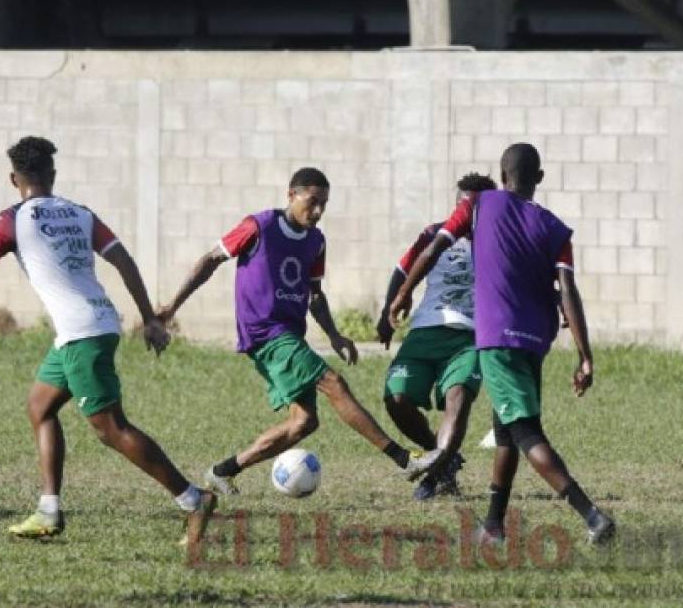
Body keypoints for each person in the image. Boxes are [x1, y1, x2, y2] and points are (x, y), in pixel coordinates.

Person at [0, 136, 216, 543]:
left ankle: (193, 499)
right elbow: (123, 259)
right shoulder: (81, 214)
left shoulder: (10, 220)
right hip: (93, 324)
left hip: (82, 335)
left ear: (13, 178)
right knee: (40, 406)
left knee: (111, 429)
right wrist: (149, 318)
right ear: (52, 175)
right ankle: (48, 510)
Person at [158, 167, 440, 496]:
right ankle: (404, 459)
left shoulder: (315, 241)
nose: (318, 211)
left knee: (303, 423)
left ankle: (222, 472)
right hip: (264, 333)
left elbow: (314, 295)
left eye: (324, 204)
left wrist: (334, 335)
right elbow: (210, 260)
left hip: (290, 334)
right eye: (312, 202)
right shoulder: (259, 226)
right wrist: (172, 307)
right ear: (291, 195)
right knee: (333, 383)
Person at [389, 143, 615, 545]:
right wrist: (585, 355)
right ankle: (493, 526)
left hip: (498, 338)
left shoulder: (477, 204)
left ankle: (592, 516)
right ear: (539, 179)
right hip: (535, 341)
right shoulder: (554, 228)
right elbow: (567, 290)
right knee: (506, 429)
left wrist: (405, 292)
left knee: (526, 432)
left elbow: (436, 247)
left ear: (501, 172)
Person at [376, 173, 497, 501]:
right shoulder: (434, 234)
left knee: (457, 399)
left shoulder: (501, 241)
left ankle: (432, 477)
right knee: (396, 398)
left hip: (470, 336)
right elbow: (403, 271)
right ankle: (441, 460)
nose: (470, 212)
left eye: (477, 206)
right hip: (425, 330)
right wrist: (388, 311)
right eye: (464, 204)